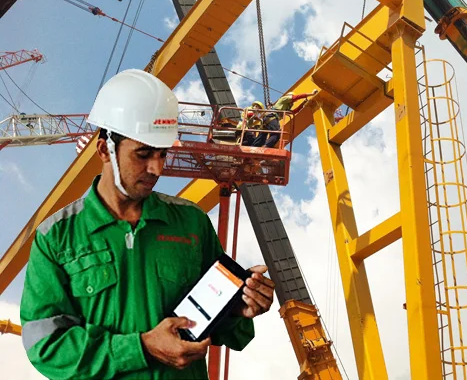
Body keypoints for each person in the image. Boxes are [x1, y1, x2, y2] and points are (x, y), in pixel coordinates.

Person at [20, 69, 275, 380]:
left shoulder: (191, 223)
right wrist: (141, 348)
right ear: (104, 150)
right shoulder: (56, 238)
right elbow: (46, 346)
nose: (156, 168)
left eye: (162, 154)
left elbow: (215, 327)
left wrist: (238, 310)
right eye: (142, 154)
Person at [253, 91, 317, 148]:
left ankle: (254, 147)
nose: (293, 102)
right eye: (293, 101)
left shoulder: (285, 107)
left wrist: (302, 104)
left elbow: (293, 112)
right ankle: (266, 147)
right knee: (276, 134)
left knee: (262, 136)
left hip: (268, 118)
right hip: (272, 117)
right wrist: (311, 94)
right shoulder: (284, 99)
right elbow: (296, 97)